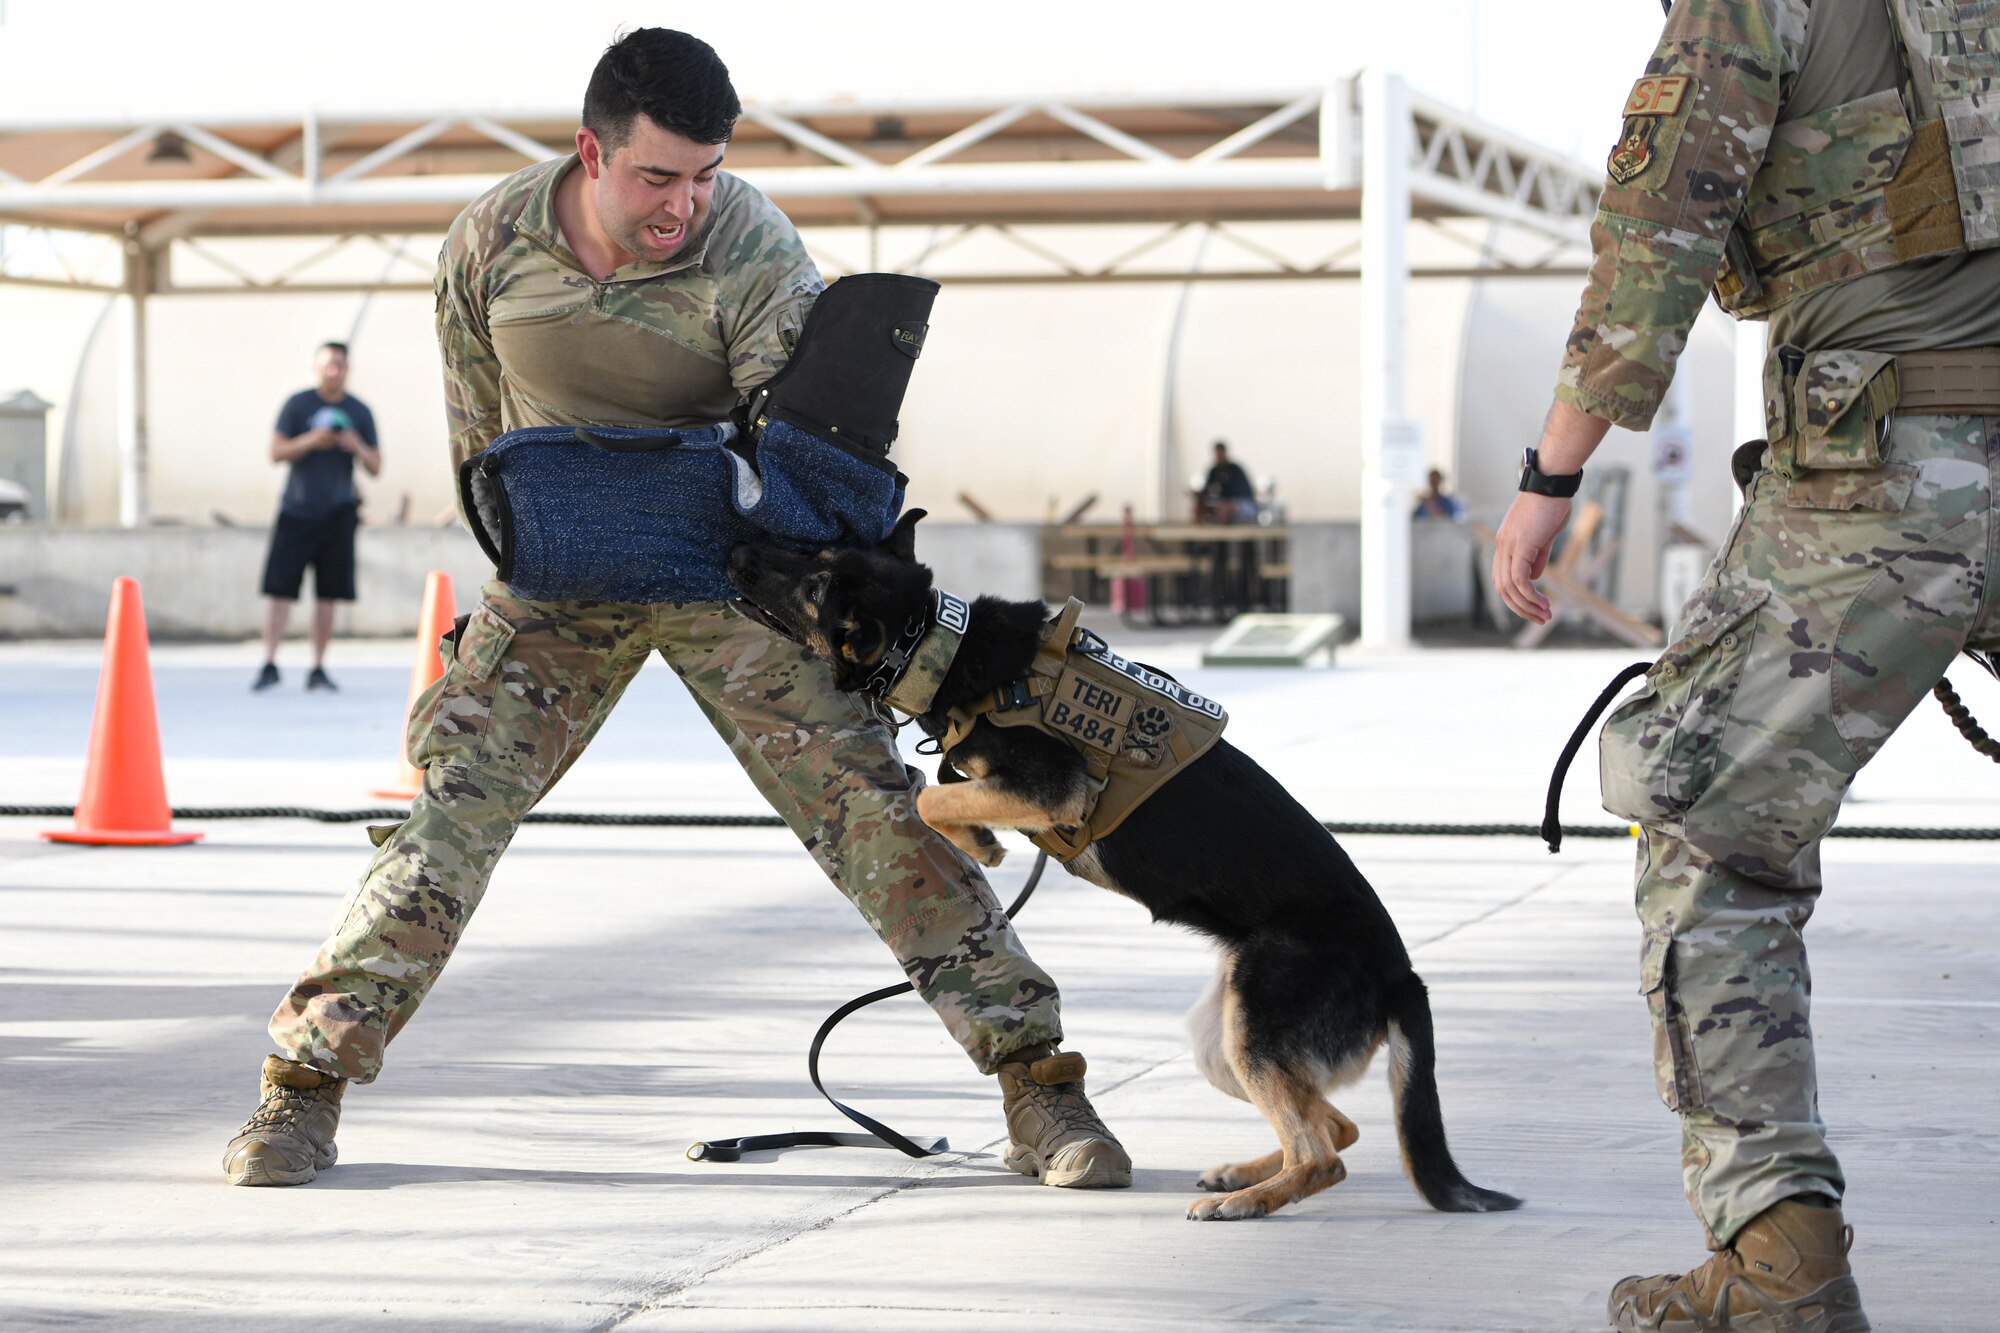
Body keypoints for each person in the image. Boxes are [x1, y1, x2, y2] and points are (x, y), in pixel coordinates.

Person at [223, 29, 1130, 1194]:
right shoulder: (489, 242)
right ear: (591, 152)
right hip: (561, 577)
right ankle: (300, 1091)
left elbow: (794, 452)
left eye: (703, 174)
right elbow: (478, 435)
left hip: (731, 571)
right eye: (658, 178)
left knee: (870, 813)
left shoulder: (748, 240)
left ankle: (1038, 1087)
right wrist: (533, 555)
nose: (684, 205)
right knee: (450, 812)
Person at [1492, 2, 1999, 1327]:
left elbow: (1658, 235)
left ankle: (1777, 1263)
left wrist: (1553, 472)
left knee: (1709, 833)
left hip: (1883, 471)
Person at [253, 341, 380, 692]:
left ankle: (319, 667)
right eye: (328, 364)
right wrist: (311, 440)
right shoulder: (298, 405)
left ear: (347, 369)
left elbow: (376, 466)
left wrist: (356, 445)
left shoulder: (359, 412)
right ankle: (269, 662)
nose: (333, 371)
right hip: (296, 511)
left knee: (329, 595)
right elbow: (276, 451)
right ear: (316, 367)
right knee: (280, 592)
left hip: (338, 514)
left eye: (339, 364)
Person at [1199, 440, 1258, 524]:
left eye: (1220, 454)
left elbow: (1240, 494)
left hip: (1244, 503)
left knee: (1224, 507)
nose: (1219, 457)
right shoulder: (1214, 471)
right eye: (1217, 455)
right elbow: (1206, 490)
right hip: (1224, 504)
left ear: (1225, 454)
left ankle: (1222, 533)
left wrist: (1227, 503)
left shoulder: (1235, 470)